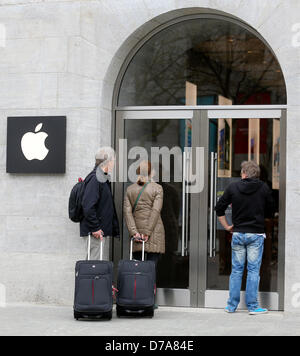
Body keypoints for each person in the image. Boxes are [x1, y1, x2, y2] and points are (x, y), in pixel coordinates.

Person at [215, 161, 274, 315]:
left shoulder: (233, 187)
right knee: (253, 271)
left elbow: (219, 208)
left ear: (244, 173)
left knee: (236, 270)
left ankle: (231, 306)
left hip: (238, 234)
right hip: (256, 234)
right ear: (257, 174)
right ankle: (253, 307)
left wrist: (227, 226)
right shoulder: (264, 188)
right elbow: (271, 210)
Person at [123, 161, 165, 268]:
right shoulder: (157, 188)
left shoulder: (130, 189)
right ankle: (150, 285)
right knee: (151, 269)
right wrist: (147, 232)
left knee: (137, 268)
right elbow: (155, 211)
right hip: (154, 232)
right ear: (152, 173)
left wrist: (134, 232)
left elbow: (127, 213)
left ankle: (137, 285)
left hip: (137, 232)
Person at [80, 147, 120, 259]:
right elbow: (88, 206)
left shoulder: (101, 178)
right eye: (113, 160)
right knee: (94, 267)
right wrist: (95, 228)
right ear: (108, 161)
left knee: (95, 266)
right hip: (96, 233)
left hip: (98, 232)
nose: (114, 164)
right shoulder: (96, 179)